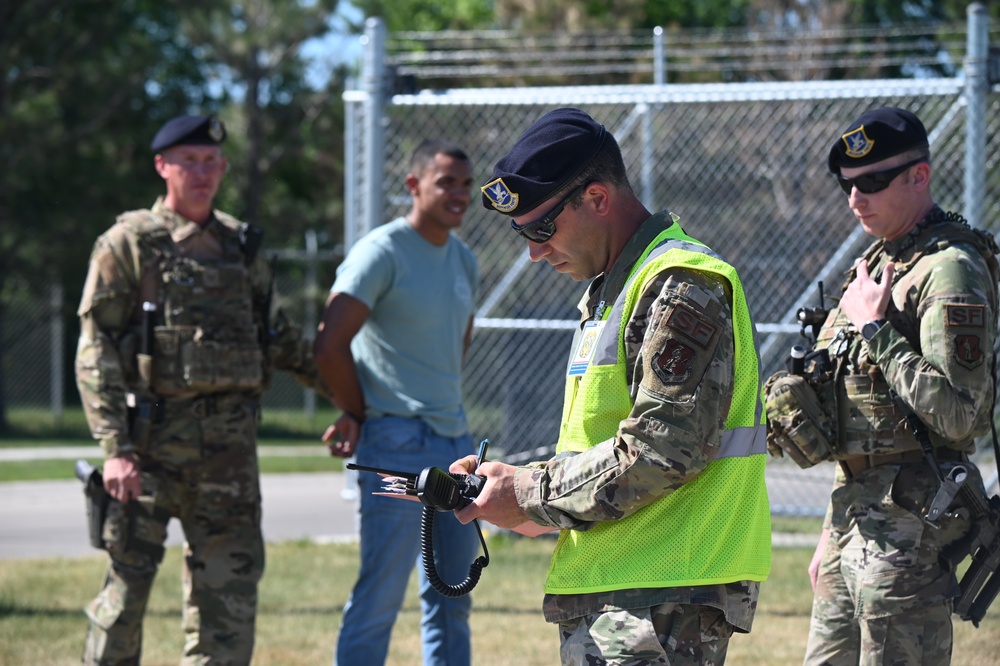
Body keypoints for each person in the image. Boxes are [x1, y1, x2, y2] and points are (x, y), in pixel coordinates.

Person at [450, 107, 771, 665]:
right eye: (520, 231)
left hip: (664, 597)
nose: (533, 250)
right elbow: (602, 448)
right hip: (628, 594)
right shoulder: (611, 292)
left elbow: (661, 451)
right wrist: (517, 500)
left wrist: (530, 491)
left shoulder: (678, 283)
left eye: (541, 228)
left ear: (597, 198)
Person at [75, 114, 329, 665]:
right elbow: (94, 352)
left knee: (227, 613)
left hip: (229, 465)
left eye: (212, 162)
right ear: (162, 165)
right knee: (124, 603)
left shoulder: (241, 247)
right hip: (146, 456)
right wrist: (115, 451)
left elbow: (282, 342)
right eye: (189, 161)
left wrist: (357, 404)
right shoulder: (129, 245)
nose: (203, 172)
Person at [768, 107, 1000, 665]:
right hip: (855, 518)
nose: (856, 198)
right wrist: (832, 531)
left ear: (919, 176)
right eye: (848, 185)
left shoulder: (950, 270)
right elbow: (854, 420)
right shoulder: (876, 264)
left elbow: (959, 415)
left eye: (873, 182)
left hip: (912, 532)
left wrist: (875, 328)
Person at [313, 139, 482, 666]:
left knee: (452, 595)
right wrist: (359, 412)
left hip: (455, 444)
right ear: (414, 186)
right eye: (445, 182)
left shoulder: (464, 259)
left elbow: (457, 343)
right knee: (380, 597)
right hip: (395, 444)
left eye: (464, 184)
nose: (458, 194)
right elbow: (328, 343)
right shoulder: (381, 251)